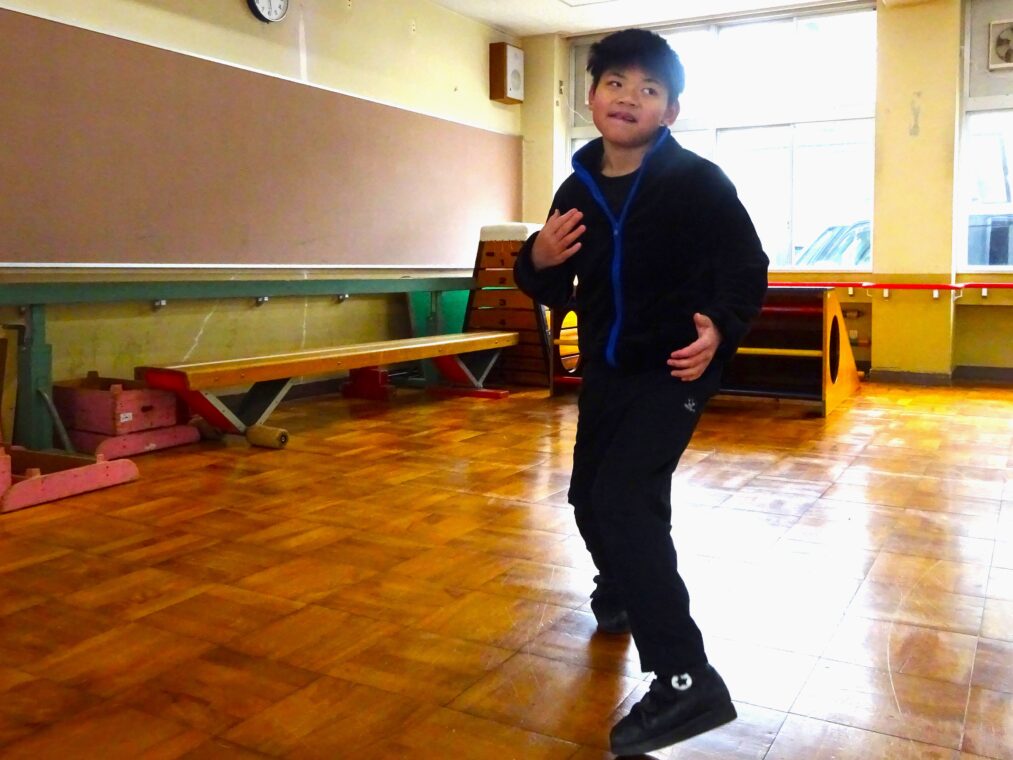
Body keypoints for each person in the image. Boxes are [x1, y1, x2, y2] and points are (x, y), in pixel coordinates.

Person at [513, 28, 769, 756]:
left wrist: (720, 327)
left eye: (648, 89)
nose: (629, 97)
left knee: (625, 499)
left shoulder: (697, 182)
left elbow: (746, 266)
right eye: (615, 83)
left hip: (673, 370)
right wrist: (536, 257)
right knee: (589, 499)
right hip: (606, 370)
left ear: (670, 110)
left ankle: (686, 680)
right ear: (590, 97)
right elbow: (549, 282)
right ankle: (622, 586)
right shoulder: (577, 189)